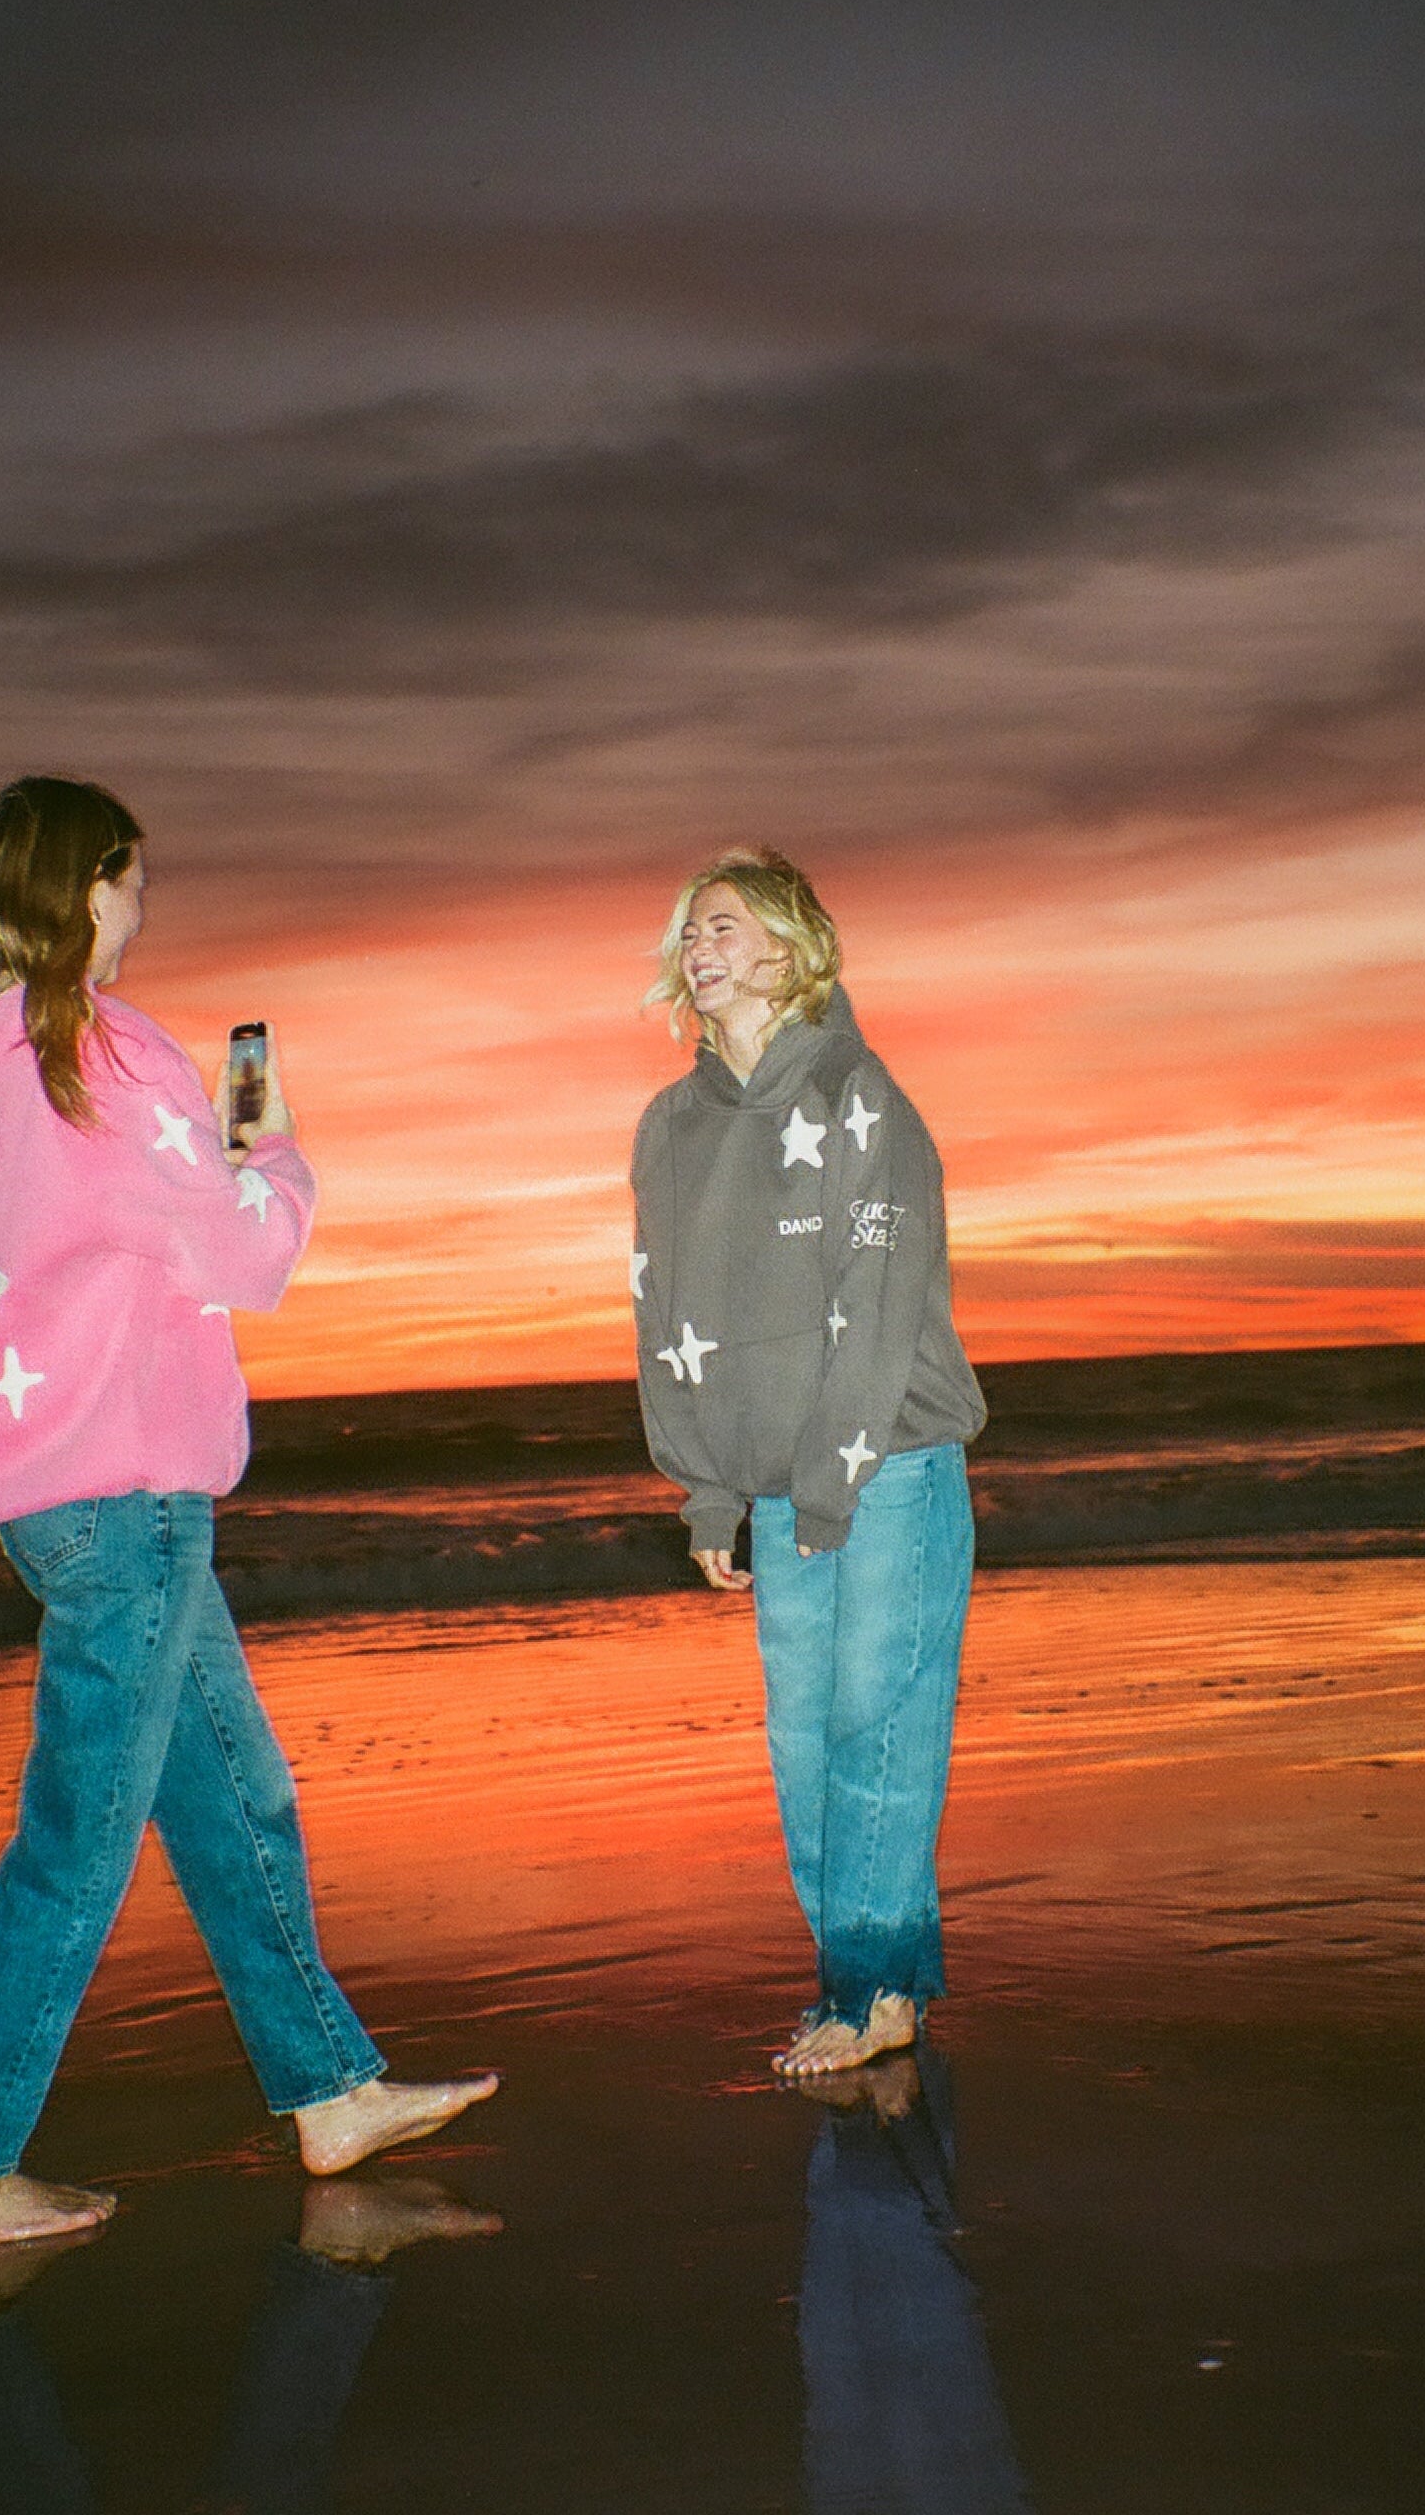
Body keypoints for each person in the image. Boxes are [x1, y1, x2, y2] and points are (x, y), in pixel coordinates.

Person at [0, 776, 497, 2254]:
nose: (141, 908)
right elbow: (243, 1254)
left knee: (232, 1796)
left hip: (46, 1490)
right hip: (123, 1489)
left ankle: (331, 2089)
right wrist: (274, 1146)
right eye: (133, 882)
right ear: (91, 887)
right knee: (78, 1842)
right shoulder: (100, 1056)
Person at [630, 848, 986, 2075]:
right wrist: (707, 1491)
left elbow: (875, 1302)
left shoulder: (855, 1094)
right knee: (805, 1747)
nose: (697, 946)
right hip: (784, 1488)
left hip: (889, 1466)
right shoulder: (670, 1129)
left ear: (787, 951)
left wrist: (830, 1481)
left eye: (722, 925)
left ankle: (862, 1989)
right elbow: (664, 1316)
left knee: (876, 1733)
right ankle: (880, 1982)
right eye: (687, 931)